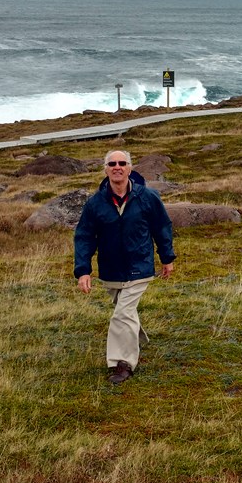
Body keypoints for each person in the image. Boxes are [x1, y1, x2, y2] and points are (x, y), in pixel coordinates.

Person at [74, 149, 175, 384]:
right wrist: (83, 270)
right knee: (124, 311)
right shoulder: (95, 204)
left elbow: (162, 227)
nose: (117, 167)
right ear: (105, 169)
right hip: (111, 270)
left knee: (121, 314)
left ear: (130, 168)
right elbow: (85, 237)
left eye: (122, 163)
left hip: (140, 265)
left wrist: (166, 257)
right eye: (112, 163)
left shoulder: (147, 197)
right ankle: (135, 337)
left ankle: (122, 363)